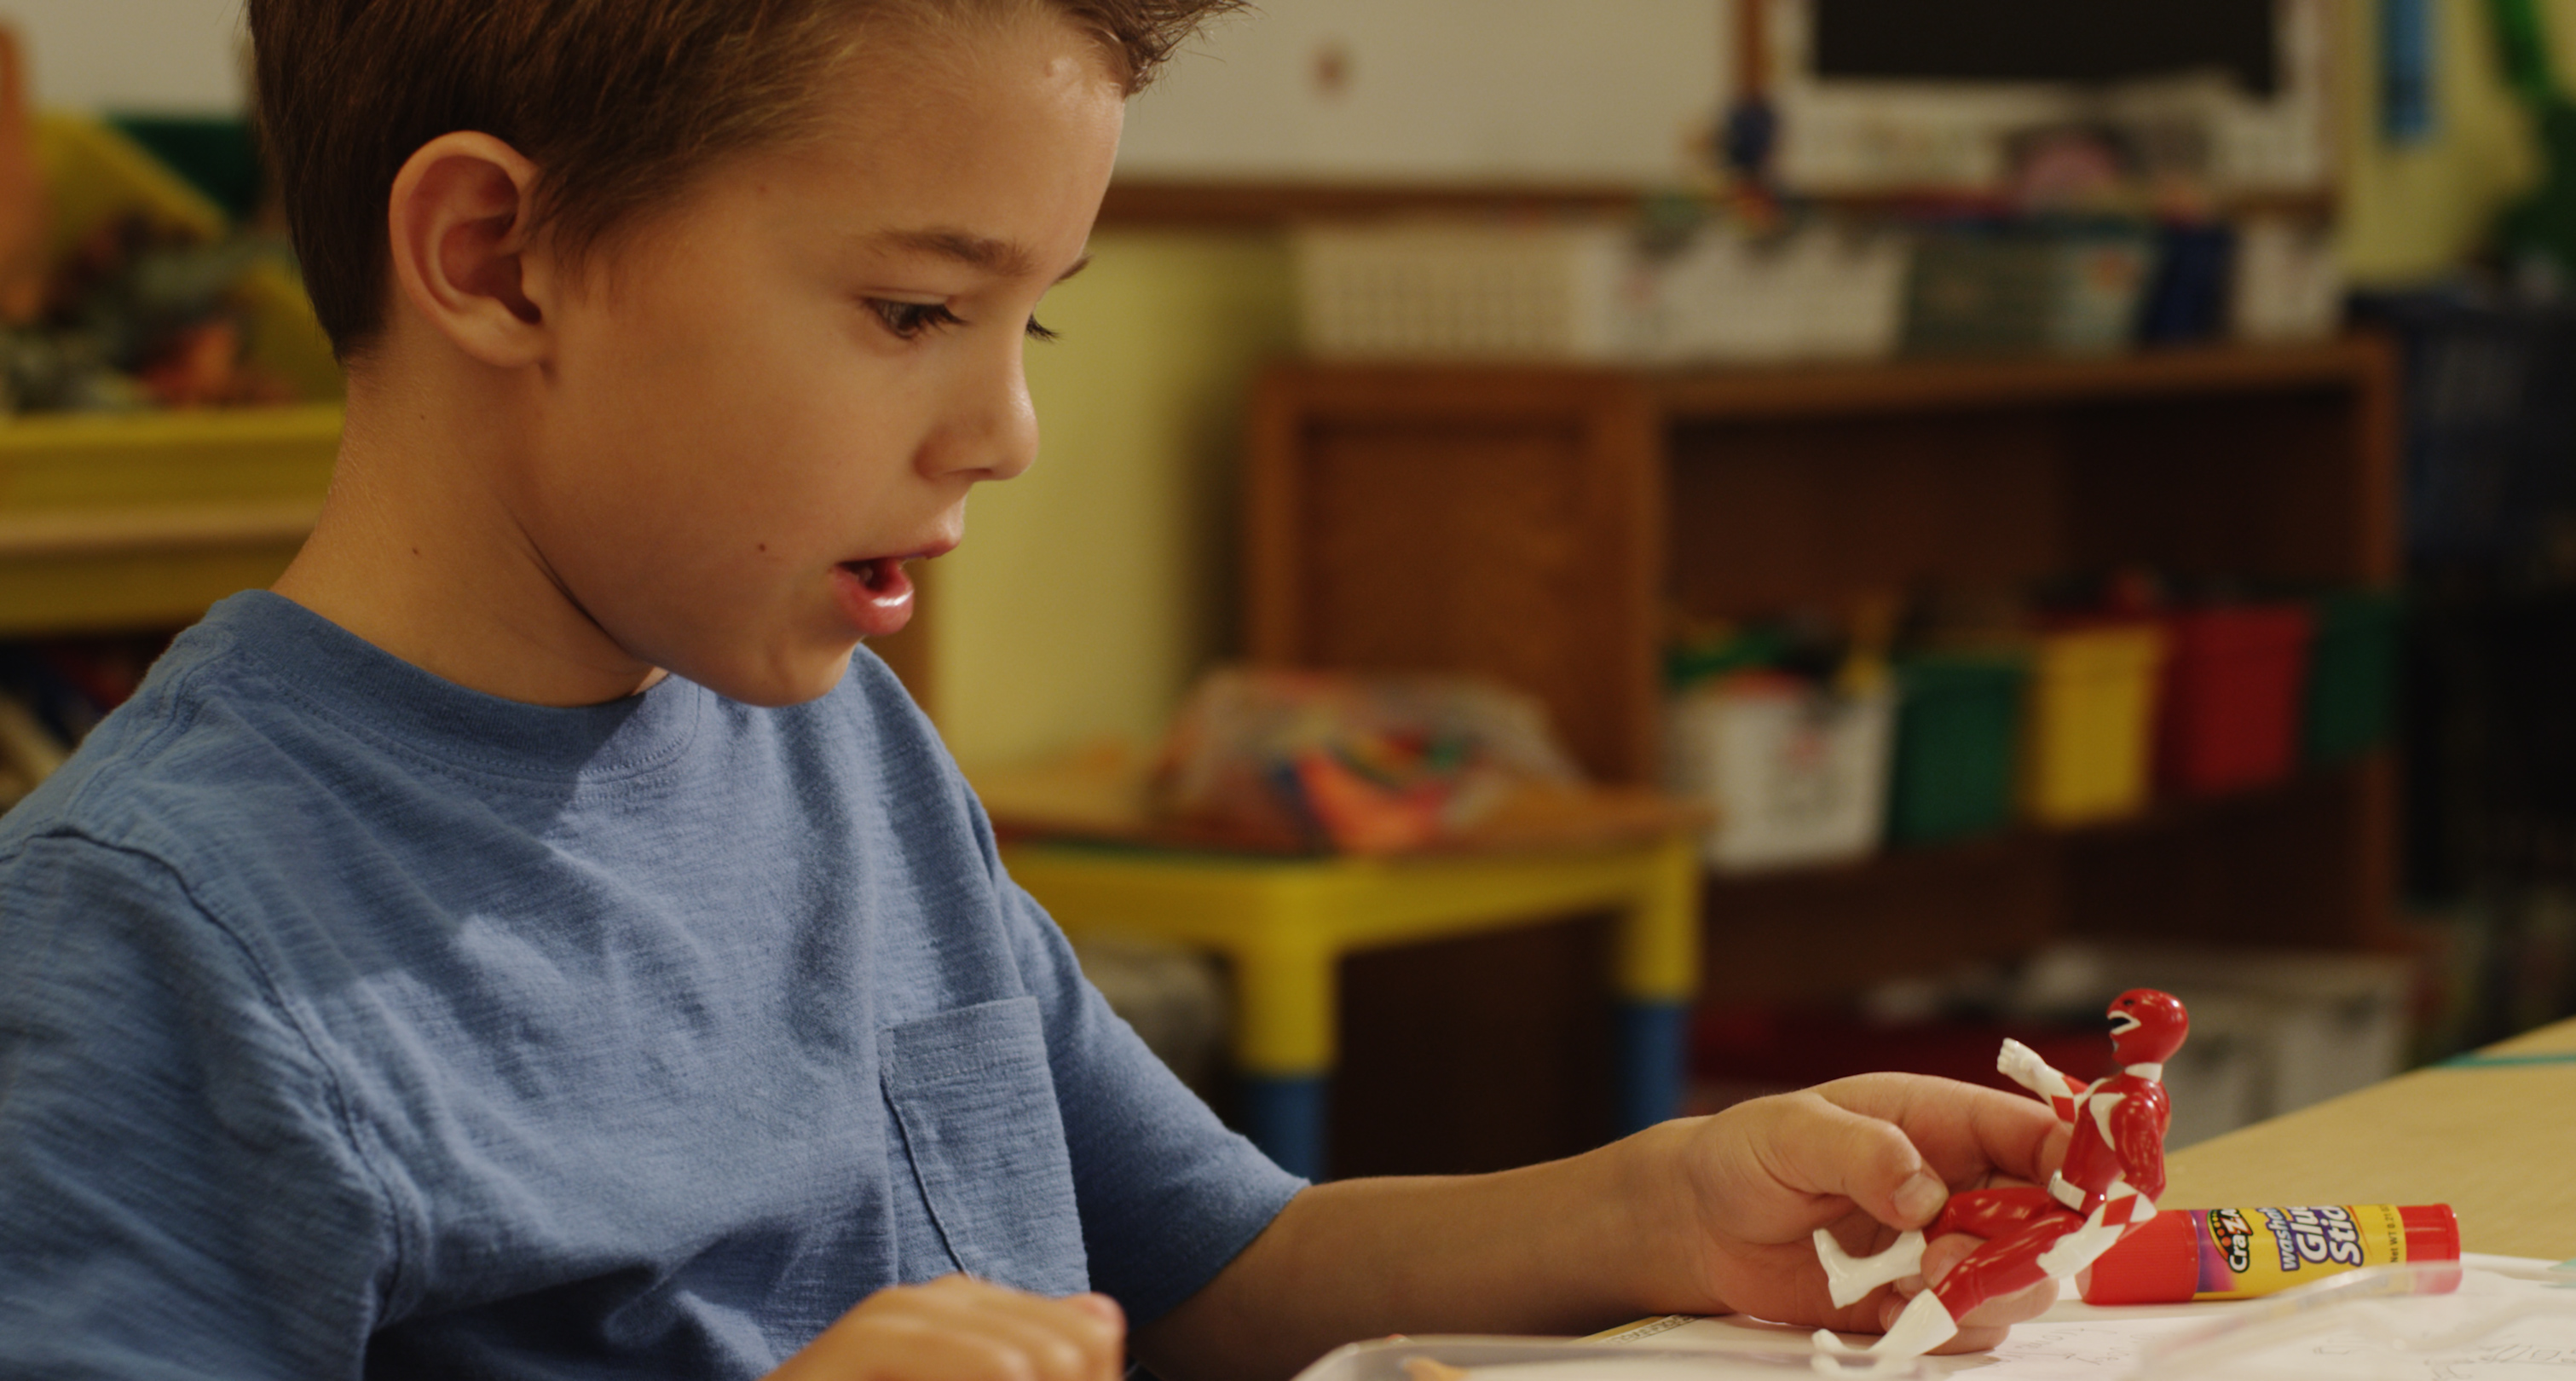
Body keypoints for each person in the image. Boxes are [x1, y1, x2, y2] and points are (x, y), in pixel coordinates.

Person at [0, 3, 2067, 1378]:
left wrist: (1656, 1206)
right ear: (496, 257)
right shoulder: (153, 937)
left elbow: (1216, 1269)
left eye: (1033, 327)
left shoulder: (824, 743)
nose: (1001, 430)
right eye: (911, 309)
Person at [1811, 990, 2188, 1364]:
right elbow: (2081, 1107)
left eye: (2125, 1025)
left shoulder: (2137, 1106)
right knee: (1955, 1212)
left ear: (2151, 1035)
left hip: (2073, 1223)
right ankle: (1857, 1278)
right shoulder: (2121, 1091)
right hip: (2056, 1204)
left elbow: (2149, 1184)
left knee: (1968, 1277)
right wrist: (2037, 1073)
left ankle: (1877, 1363)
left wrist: (2089, 1242)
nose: (2115, 1034)